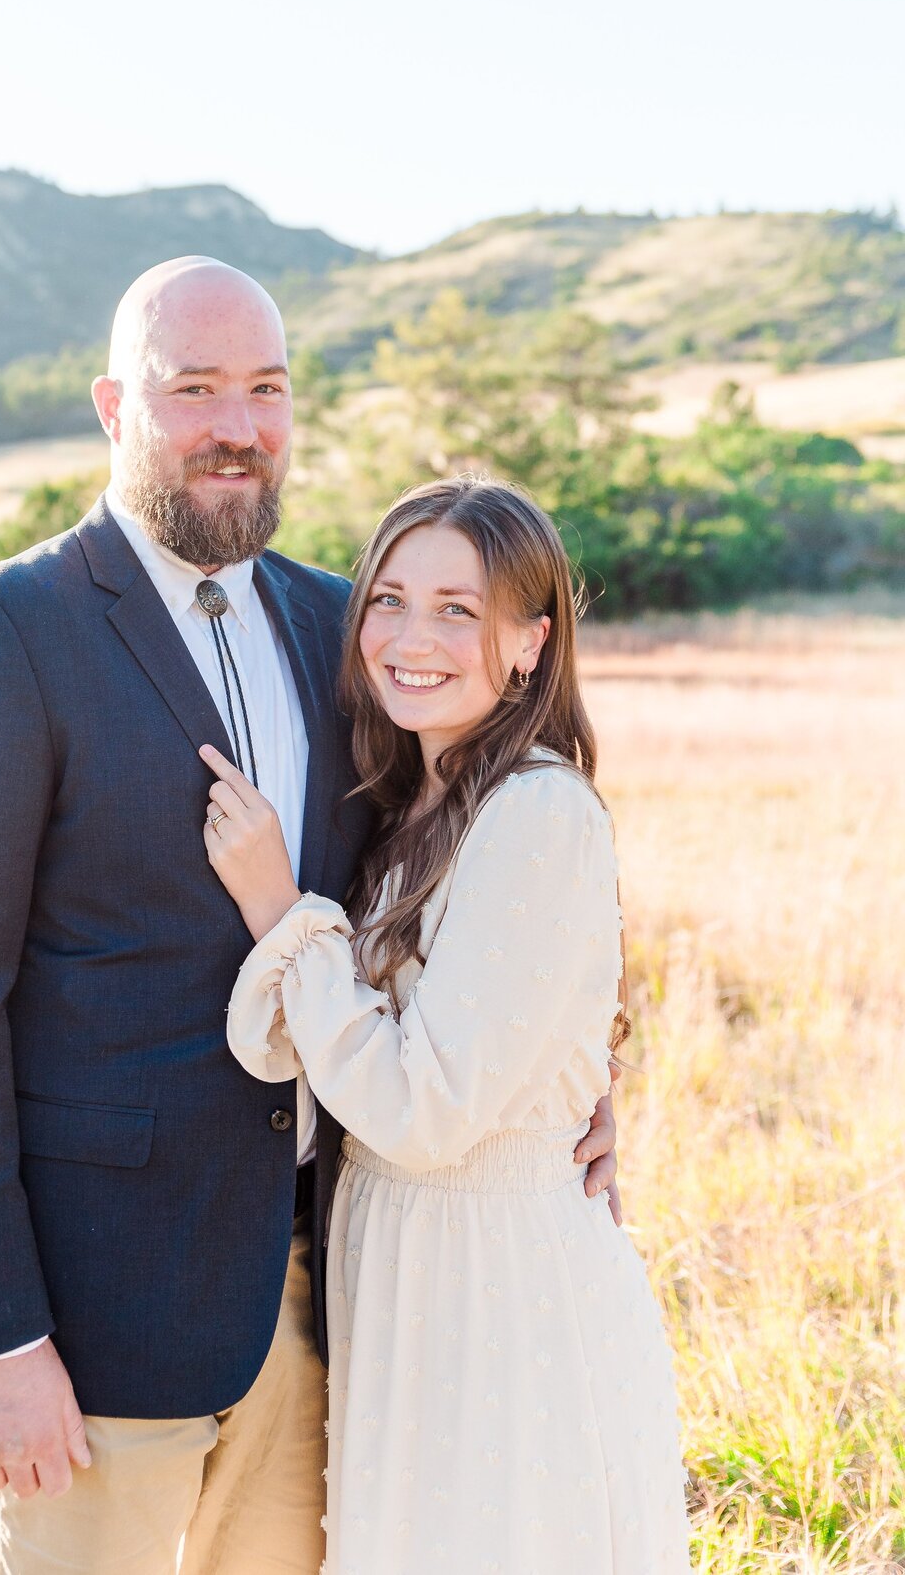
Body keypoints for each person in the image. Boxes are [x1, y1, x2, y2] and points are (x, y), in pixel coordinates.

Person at [0, 258, 620, 1575]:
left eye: (266, 389)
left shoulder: (347, 625)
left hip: (326, 1320)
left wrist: (569, 1076)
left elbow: (453, 899)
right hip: (91, 1338)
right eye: (194, 387)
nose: (238, 425)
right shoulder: (1, 634)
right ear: (115, 407)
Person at [209, 476, 690, 1574]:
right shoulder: (414, 803)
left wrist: (282, 915)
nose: (411, 636)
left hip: (498, 1285)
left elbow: (424, 1113)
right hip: (408, 1273)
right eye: (387, 598)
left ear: (530, 642)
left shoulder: (536, 809)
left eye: (458, 610)